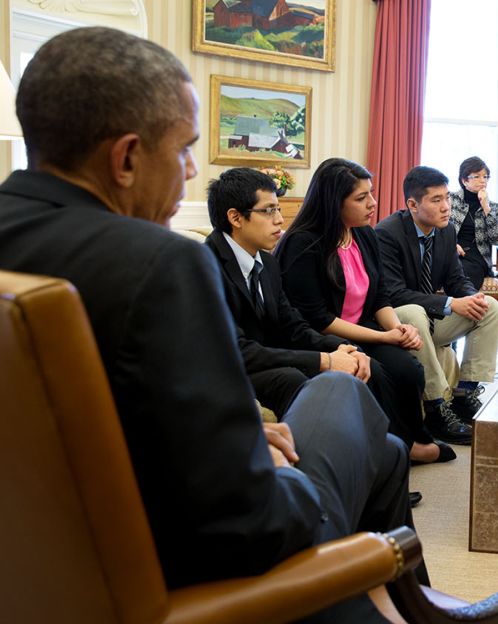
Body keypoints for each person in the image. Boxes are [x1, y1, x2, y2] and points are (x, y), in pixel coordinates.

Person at [0, 27, 419, 622]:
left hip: (55, 546)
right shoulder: (158, 261)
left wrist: (239, 432)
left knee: (388, 450)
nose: (192, 168)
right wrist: (259, 459)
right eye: (183, 150)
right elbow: (246, 521)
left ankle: (391, 607)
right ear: (125, 158)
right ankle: (401, 598)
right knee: (341, 395)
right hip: (186, 558)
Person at [213, 166, 452, 466]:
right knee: (319, 376)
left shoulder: (265, 261)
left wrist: (338, 349)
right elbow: (246, 347)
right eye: (269, 210)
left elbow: (292, 323)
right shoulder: (208, 265)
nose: (279, 219)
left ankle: (392, 451)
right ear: (236, 217)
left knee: (402, 366)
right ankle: (360, 461)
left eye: (278, 208)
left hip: (289, 347)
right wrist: (326, 357)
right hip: (238, 364)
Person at [376, 166, 498, 439]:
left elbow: (456, 277)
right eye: (436, 200)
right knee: (412, 311)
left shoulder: (446, 231)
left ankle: (463, 394)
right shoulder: (387, 233)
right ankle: (435, 408)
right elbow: (394, 293)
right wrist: (450, 303)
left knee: (490, 308)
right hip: (401, 320)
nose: (446, 206)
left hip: (432, 318)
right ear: (412, 204)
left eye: (447, 197)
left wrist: (471, 296)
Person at [448, 156, 498, 291]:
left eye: (486, 177)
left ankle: (463, 306)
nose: (483, 181)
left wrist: (486, 207)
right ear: (464, 180)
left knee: (465, 272)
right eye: (477, 176)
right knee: (449, 267)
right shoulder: (450, 200)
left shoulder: (493, 206)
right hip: (451, 250)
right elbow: (437, 226)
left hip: (477, 255)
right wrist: (451, 244)